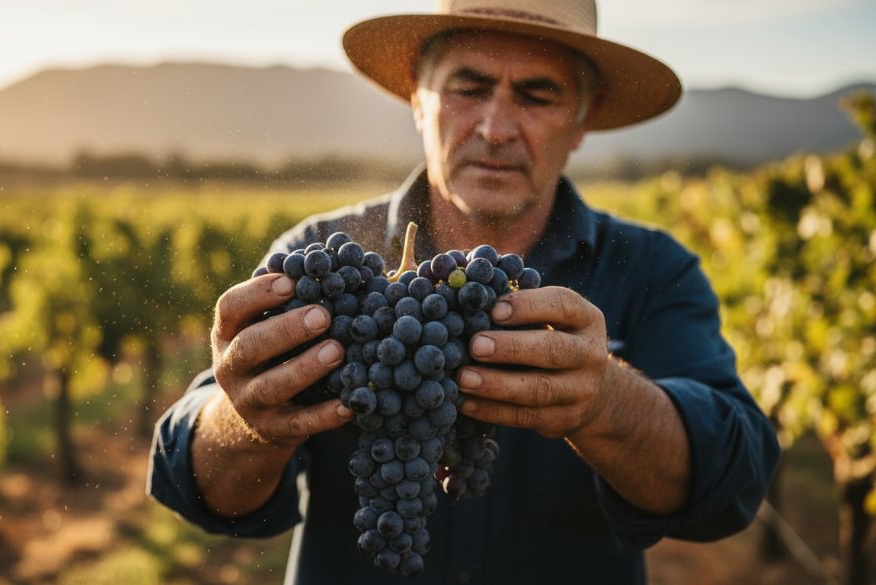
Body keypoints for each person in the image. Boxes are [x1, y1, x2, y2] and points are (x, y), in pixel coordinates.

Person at [148, 0, 781, 583]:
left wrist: (607, 402)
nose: (496, 127)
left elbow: (734, 486)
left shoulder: (652, 269)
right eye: (468, 87)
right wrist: (242, 420)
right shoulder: (322, 260)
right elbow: (191, 483)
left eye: (538, 95)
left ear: (582, 121)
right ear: (418, 102)